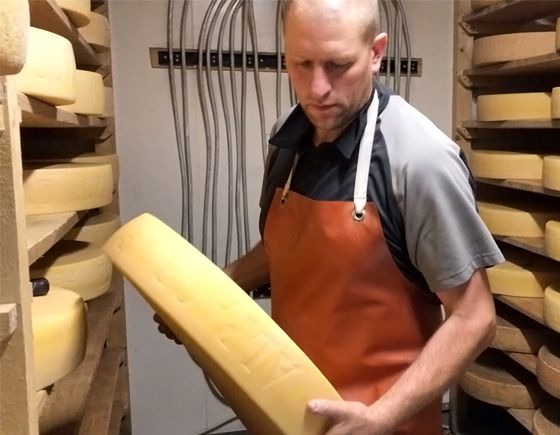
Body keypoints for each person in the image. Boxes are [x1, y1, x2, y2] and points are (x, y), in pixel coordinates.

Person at [158, 0, 503, 433]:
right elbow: (292, 246)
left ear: (376, 53)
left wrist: (380, 417)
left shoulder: (421, 162)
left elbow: (475, 319)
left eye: (338, 65)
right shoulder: (288, 140)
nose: (317, 88)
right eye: (302, 64)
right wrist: (208, 293)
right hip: (290, 417)